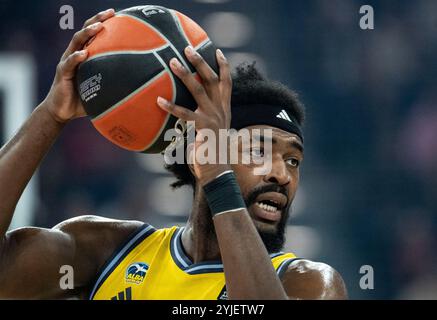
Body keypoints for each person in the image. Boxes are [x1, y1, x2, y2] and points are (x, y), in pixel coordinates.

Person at [0, 9, 347, 300]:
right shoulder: (108, 250)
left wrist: (219, 178)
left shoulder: (310, 282)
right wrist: (51, 114)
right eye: (258, 150)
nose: (281, 175)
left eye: (293, 160)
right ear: (198, 150)